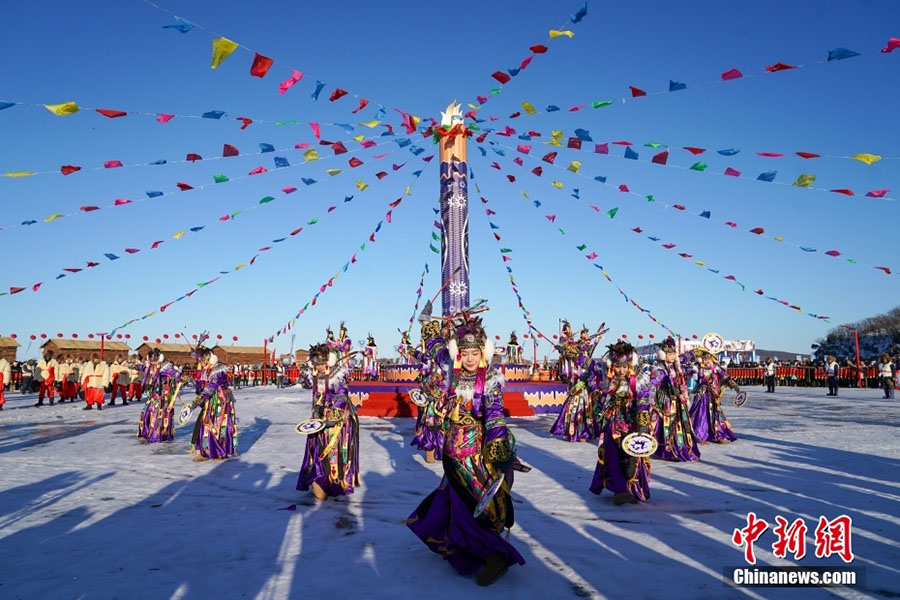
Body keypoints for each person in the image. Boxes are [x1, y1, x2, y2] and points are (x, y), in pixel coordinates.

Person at [407, 302, 525, 587]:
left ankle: (496, 555)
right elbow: (436, 350)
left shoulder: (490, 379)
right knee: (452, 502)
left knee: (469, 505)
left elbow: (495, 414)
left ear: (482, 352)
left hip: (474, 455)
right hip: (451, 449)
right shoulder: (451, 371)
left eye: (475, 352)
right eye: (466, 352)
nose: (470, 358)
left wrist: (498, 448)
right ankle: (461, 544)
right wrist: (427, 325)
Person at [589, 341, 653, 505]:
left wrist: (643, 425)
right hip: (613, 425)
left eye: (625, 366)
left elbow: (643, 404)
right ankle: (620, 490)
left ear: (630, 366)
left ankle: (633, 488)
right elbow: (601, 406)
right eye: (618, 366)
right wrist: (600, 415)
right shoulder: (608, 383)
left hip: (632, 425)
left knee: (633, 457)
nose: (621, 370)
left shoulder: (638, 383)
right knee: (613, 457)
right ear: (612, 366)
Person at [297, 340, 359, 499]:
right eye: (315, 364)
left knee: (334, 454)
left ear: (328, 361)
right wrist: (304, 376)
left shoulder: (338, 375)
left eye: (321, 363)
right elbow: (312, 390)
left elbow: (342, 394)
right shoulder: (317, 375)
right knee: (317, 452)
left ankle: (334, 483)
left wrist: (334, 413)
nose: (318, 367)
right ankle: (319, 480)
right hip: (318, 421)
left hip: (336, 422)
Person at [550, 324, 607, 442]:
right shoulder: (573, 358)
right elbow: (568, 360)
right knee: (571, 407)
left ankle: (583, 433)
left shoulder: (586, 359)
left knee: (582, 408)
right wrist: (564, 350)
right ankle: (573, 432)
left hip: (583, 386)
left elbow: (593, 370)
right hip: (574, 384)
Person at [648, 337, 700, 462]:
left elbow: (681, 381)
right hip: (665, 400)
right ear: (662, 355)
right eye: (668, 354)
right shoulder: (659, 369)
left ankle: (682, 448)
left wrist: (690, 371)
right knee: (667, 425)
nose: (671, 356)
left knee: (680, 425)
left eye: (673, 354)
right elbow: (652, 384)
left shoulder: (677, 367)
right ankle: (668, 450)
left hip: (677, 401)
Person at [188, 347, 236, 460]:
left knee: (214, 426)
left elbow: (210, 388)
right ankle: (206, 450)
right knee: (207, 424)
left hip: (219, 402)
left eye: (203, 362)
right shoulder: (208, 370)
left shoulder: (218, 371)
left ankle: (216, 450)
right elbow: (200, 386)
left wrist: (197, 401)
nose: (202, 364)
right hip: (211, 400)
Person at [687, 348, 739, 443]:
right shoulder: (698, 368)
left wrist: (734, 386)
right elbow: (687, 372)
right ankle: (699, 434)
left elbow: (726, 377)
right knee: (700, 414)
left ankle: (719, 434)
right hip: (701, 395)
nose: (707, 362)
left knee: (716, 414)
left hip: (714, 395)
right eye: (705, 359)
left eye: (709, 359)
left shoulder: (716, 368)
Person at [137, 349, 182, 443]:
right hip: (152, 394)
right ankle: (145, 432)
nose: (153, 363)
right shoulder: (149, 366)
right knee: (145, 412)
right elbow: (141, 367)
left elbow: (177, 375)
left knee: (158, 415)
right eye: (151, 361)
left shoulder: (167, 367)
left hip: (163, 395)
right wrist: (135, 365)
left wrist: (177, 375)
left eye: (154, 361)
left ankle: (157, 435)